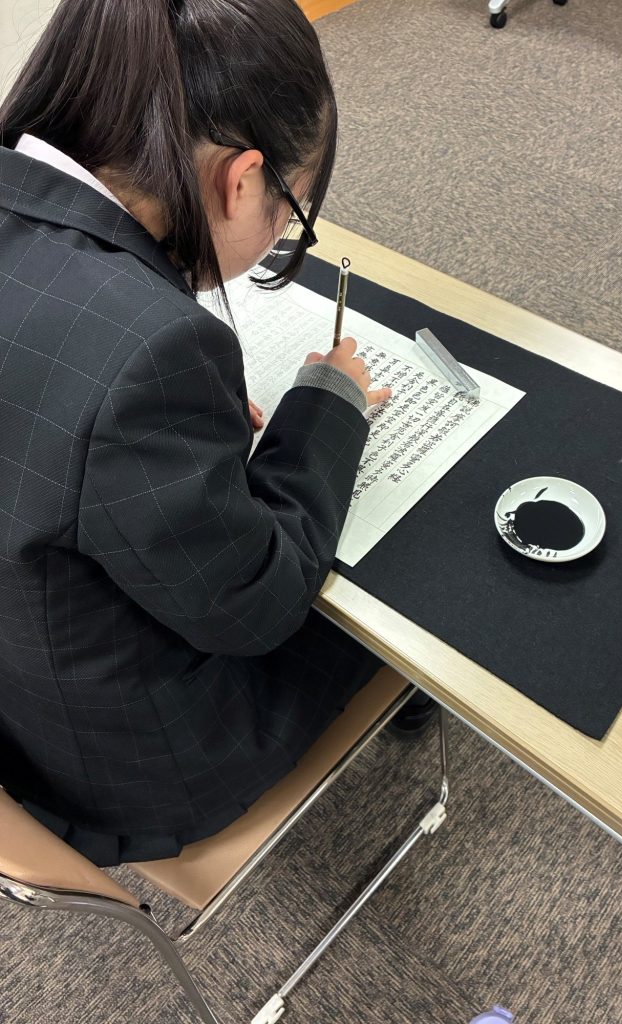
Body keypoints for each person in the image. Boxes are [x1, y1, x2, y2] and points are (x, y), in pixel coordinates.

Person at [0, 0, 434, 867]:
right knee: (401, 569)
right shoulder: (149, 349)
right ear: (242, 181)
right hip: (133, 767)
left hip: (23, 693)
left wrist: (159, 443)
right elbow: (255, 602)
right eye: (290, 214)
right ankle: (413, 697)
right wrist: (328, 402)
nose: (279, 236)